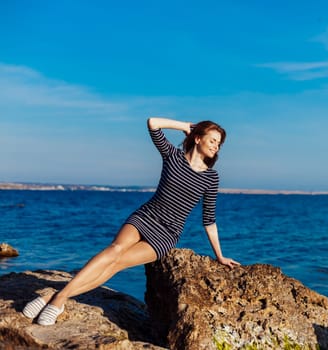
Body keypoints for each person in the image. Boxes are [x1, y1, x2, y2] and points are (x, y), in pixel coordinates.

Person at [22, 117, 240, 326]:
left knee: (116, 264)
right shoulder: (172, 156)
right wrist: (185, 126)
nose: (216, 147)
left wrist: (219, 256)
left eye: (219, 144)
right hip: (145, 217)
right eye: (213, 141)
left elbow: (209, 219)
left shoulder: (211, 178)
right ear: (197, 138)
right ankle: (59, 301)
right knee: (115, 249)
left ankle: (55, 295)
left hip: (166, 234)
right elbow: (153, 123)